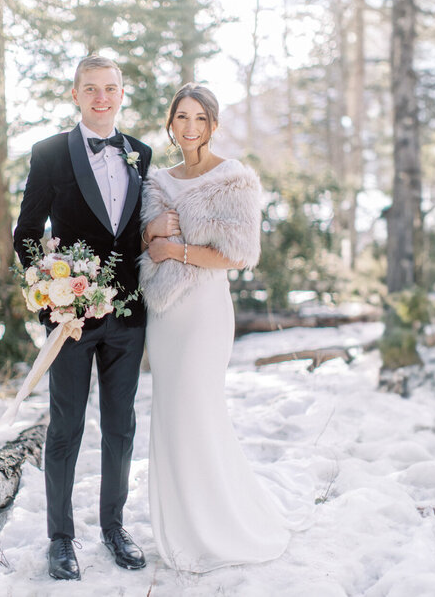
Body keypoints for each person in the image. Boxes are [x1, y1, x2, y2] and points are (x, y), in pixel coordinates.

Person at [138, 83, 297, 572]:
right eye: (181, 118)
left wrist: (177, 250)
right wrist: (153, 233)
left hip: (205, 313)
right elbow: (142, 243)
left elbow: (241, 253)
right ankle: (182, 522)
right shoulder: (158, 181)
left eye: (199, 119)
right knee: (170, 410)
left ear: (213, 124)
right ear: (171, 123)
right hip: (164, 315)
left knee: (200, 408)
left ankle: (220, 525)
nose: (189, 127)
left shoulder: (232, 180)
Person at [12, 55, 152, 581]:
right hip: (70, 320)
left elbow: (138, 232)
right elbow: (26, 232)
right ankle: (61, 538)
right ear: (75, 94)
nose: (101, 98)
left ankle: (115, 527)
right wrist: (50, 293)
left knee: (122, 426)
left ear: (122, 92)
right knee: (67, 426)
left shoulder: (140, 152)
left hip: (129, 316)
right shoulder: (49, 153)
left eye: (110, 88)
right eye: (90, 88)